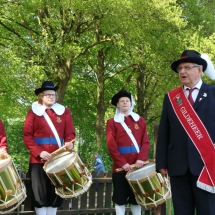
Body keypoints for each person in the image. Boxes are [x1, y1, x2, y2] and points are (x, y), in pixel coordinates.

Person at [156, 50, 215, 215]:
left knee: (208, 211)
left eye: (187, 67)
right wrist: (161, 163)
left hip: (207, 166)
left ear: (200, 70)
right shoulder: (171, 97)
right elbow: (164, 131)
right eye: (180, 68)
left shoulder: (213, 93)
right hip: (178, 165)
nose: (182, 72)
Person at [23, 81, 76, 215]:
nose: (51, 97)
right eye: (48, 95)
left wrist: (70, 143)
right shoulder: (32, 113)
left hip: (58, 159)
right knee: (39, 194)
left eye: (53, 94)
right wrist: (39, 152)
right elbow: (27, 136)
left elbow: (70, 133)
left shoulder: (64, 112)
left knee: (55, 194)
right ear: (41, 96)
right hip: (38, 161)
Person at [106, 90, 150, 215]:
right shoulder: (111, 122)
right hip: (120, 169)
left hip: (137, 167)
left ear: (131, 103)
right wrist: (122, 163)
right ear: (117, 105)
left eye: (127, 100)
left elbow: (146, 142)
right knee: (120, 199)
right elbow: (111, 145)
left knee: (136, 198)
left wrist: (141, 159)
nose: (125, 102)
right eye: (122, 101)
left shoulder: (140, 120)